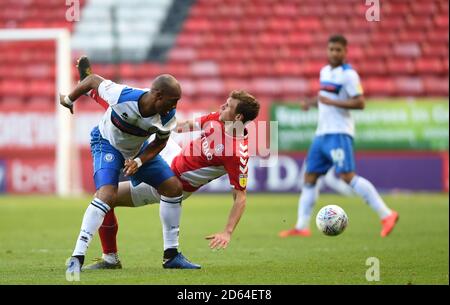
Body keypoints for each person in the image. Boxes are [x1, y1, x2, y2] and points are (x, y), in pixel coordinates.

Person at [83, 86, 260, 270]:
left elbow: (241, 197)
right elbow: (182, 127)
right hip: (172, 156)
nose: (222, 106)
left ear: (238, 117)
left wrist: (227, 232)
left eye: (228, 106)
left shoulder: (236, 153)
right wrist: (161, 118)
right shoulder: (219, 119)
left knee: (105, 198)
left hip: (174, 182)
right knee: (133, 119)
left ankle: (112, 258)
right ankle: (96, 92)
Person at [62, 60, 199, 281]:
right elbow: (93, 81)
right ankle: (77, 256)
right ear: (157, 95)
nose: (175, 106)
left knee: (173, 188)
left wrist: (139, 161)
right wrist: (69, 99)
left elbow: (160, 143)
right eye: (172, 101)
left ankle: (171, 255)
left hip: (138, 150)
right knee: (107, 195)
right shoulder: (123, 95)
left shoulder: (166, 116)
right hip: (106, 143)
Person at [279, 34, 399, 238]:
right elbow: (325, 97)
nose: (334, 53)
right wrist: (312, 103)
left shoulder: (349, 75)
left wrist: (332, 103)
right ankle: (302, 226)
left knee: (346, 176)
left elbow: (360, 103)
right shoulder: (324, 71)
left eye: (338, 50)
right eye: (331, 49)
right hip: (321, 133)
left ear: (345, 52)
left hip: (339, 133)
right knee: (310, 177)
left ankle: (386, 214)